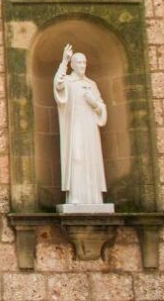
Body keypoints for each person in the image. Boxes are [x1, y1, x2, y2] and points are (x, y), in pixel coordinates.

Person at [53, 44, 108, 206]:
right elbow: (57, 85)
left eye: (84, 63)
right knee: (76, 157)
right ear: (73, 65)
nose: (82, 66)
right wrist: (64, 61)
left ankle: (94, 198)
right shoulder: (69, 81)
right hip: (75, 125)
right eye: (79, 63)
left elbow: (101, 106)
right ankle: (76, 196)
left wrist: (95, 104)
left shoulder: (92, 84)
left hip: (90, 127)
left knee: (91, 158)